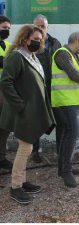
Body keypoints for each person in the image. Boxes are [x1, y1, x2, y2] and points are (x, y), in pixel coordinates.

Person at [0, 25, 56, 204]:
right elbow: (6, 83)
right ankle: (16, 187)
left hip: (30, 111)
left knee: (27, 147)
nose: (38, 42)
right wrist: (21, 106)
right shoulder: (17, 56)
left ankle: (22, 182)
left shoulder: (32, 57)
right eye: (35, 39)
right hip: (23, 112)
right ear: (25, 39)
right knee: (25, 148)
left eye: (40, 40)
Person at [51, 32, 79, 187]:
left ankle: (63, 169)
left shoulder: (76, 57)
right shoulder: (62, 54)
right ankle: (66, 172)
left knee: (66, 134)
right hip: (64, 102)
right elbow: (76, 76)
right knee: (73, 134)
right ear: (77, 40)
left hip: (73, 102)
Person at [31, 14, 62, 163]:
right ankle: (35, 151)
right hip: (36, 89)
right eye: (37, 26)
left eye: (42, 26)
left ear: (47, 27)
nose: (40, 28)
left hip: (55, 89)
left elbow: (64, 63)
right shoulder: (29, 43)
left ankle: (60, 153)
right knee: (36, 121)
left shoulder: (55, 43)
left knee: (58, 121)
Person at [0, 16, 12, 171]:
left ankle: (1, 157)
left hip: (6, 90)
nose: (7, 31)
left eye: (8, 28)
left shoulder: (9, 45)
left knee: (4, 125)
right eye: (4, 28)